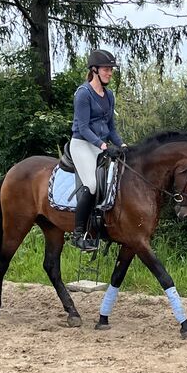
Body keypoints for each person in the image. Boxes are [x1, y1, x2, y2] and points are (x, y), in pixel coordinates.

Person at [70, 49, 127, 251]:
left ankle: (102, 226)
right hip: (82, 144)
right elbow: (83, 128)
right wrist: (103, 146)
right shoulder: (83, 94)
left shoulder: (109, 95)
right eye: (106, 69)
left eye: (111, 69)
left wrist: (121, 145)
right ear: (94, 70)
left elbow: (111, 128)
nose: (110, 73)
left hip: (101, 146)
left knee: (118, 180)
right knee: (93, 184)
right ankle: (77, 234)